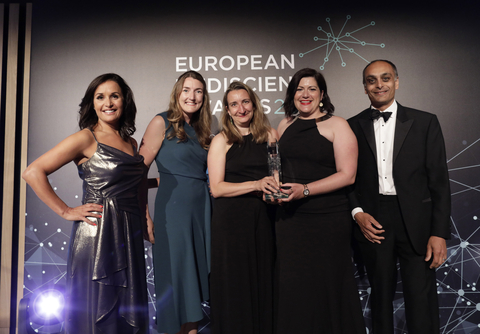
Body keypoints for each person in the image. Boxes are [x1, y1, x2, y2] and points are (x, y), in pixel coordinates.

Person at [22, 73, 149, 334]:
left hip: (129, 235)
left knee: (128, 314)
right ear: (92, 104)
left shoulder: (132, 143)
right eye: (100, 97)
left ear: (124, 100)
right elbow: (33, 172)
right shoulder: (86, 138)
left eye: (115, 96)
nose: (108, 103)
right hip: (97, 237)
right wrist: (66, 210)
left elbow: (130, 184)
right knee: (97, 312)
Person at [347, 59, 451, 334]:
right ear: (364, 87)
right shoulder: (351, 126)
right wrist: (357, 213)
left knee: (421, 300)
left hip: (417, 221)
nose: (379, 84)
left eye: (385, 78)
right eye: (372, 80)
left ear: (396, 81)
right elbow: (347, 180)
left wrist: (439, 233)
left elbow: (439, 182)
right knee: (380, 298)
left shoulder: (425, 122)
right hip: (373, 221)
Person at [274, 68, 365, 333]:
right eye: (300, 89)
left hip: (327, 219)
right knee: (295, 286)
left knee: (327, 285)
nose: (305, 94)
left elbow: (347, 175)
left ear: (322, 94)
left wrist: (305, 190)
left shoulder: (338, 125)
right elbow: (279, 168)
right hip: (290, 220)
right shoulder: (284, 125)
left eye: (312, 89)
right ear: (292, 94)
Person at [138, 71, 212, 334]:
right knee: (177, 279)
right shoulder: (161, 122)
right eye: (186, 90)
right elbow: (139, 173)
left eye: (198, 91)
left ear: (204, 96)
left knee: (191, 282)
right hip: (174, 214)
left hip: (202, 212)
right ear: (177, 93)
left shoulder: (205, 128)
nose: (192, 97)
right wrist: (145, 216)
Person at [208, 81, 279, 334]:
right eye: (234, 104)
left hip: (264, 219)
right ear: (227, 110)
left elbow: (276, 176)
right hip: (231, 224)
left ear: (254, 104)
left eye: (245, 102)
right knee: (235, 286)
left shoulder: (270, 135)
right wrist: (256, 184)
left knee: (264, 281)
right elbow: (216, 188)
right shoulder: (222, 141)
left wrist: (275, 188)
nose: (241, 109)